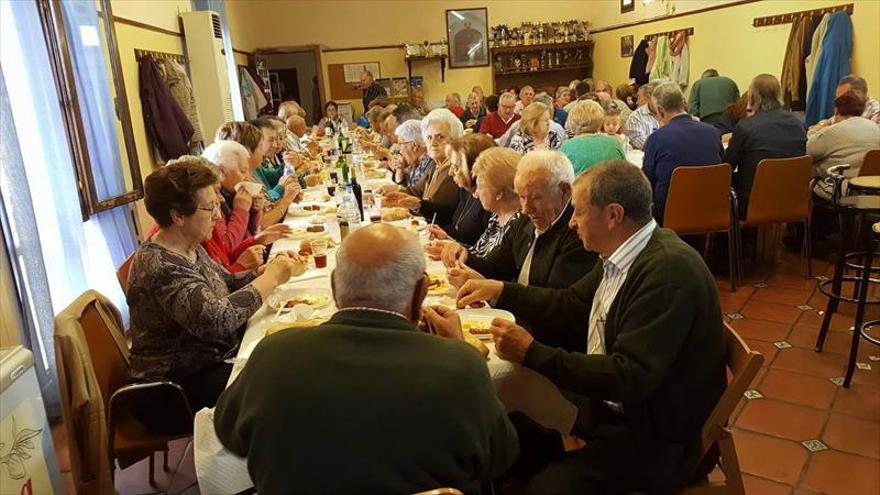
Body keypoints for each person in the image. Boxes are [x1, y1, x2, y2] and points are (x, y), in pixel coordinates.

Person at [456, 161, 726, 494]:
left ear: (613, 215)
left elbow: (627, 377)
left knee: (541, 485)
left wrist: (533, 352)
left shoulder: (668, 274)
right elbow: (570, 303)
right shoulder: (620, 256)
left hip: (659, 436)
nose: (570, 223)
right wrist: (502, 290)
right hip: (615, 410)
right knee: (505, 435)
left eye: (579, 212)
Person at [214, 224, 519, 494]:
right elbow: (500, 458)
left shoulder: (273, 354)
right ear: (423, 292)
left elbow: (230, 435)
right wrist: (459, 352)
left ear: (334, 287)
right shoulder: (461, 366)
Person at [128, 156, 304, 411]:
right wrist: (271, 278)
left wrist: (263, 271)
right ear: (178, 215)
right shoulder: (161, 265)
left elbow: (226, 282)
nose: (218, 216)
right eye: (210, 208)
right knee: (287, 377)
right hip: (175, 387)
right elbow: (216, 320)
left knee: (290, 346)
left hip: (208, 363)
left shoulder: (189, 246)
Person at [443, 150, 597, 297]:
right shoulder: (525, 220)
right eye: (522, 197)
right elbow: (496, 267)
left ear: (563, 191)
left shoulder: (579, 233)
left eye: (535, 198)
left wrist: (501, 291)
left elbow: (560, 301)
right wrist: (464, 255)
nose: (525, 209)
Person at [643, 82, 723, 223]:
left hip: (669, 213)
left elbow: (647, 180)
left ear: (660, 111)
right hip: (713, 209)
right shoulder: (713, 132)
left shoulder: (657, 138)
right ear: (683, 104)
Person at [725, 74, 806, 213]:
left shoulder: (745, 127)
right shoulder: (798, 124)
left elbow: (726, 166)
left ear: (752, 97)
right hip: (792, 200)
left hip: (752, 204)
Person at [434, 147, 522, 262]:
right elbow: (477, 253)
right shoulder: (497, 216)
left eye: (480, 186)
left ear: (499, 193)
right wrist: (448, 240)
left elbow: (493, 271)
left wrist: (458, 252)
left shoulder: (518, 224)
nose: (475, 194)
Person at [217, 121, 301, 229]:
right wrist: (285, 199)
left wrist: (289, 194)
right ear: (246, 151)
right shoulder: (239, 181)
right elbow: (262, 224)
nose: (263, 153)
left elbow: (268, 205)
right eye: (260, 148)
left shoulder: (253, 170)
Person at [383, 110, 463, 220]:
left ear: (454, 139)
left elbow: (442, 213)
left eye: (440, 137)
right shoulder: (435, 165)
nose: (433, 143)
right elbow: (415, 191)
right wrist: (393, 192)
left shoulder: (454, 170)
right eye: (429, 137)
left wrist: (417, 205)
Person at [424, 133, 493, 245]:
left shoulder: (489, 201)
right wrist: (418, 205)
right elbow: (447, 212)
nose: (451, 172)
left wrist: (448, 239)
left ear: (472, 169)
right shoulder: (465, 189)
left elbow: (482, 255)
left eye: (456, 167)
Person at [809, 91, 880, 200]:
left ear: (836, 110)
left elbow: (806, 153)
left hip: (841, 190)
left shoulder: (831, 132)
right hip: (870, 190)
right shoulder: (875, 128)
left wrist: (814, 131)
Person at [561, 100, 625, 176]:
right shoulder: (614, 143)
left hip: (581, 186)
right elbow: (625, 170)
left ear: (572, 121)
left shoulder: (567, 146)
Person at [809, 75, 880, 134]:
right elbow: (829, 122)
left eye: (842, 97)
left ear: (858, 94)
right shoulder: (846, 107)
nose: (839, 102)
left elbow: (869, 137)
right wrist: (821, 126)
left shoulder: (876, 110)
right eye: (838, 99)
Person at [623, 80, 661, 150]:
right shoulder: (636, 117)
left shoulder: (669, 114)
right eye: (659, 98)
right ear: (649, 97)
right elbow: (640, 143)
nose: (662, 101)